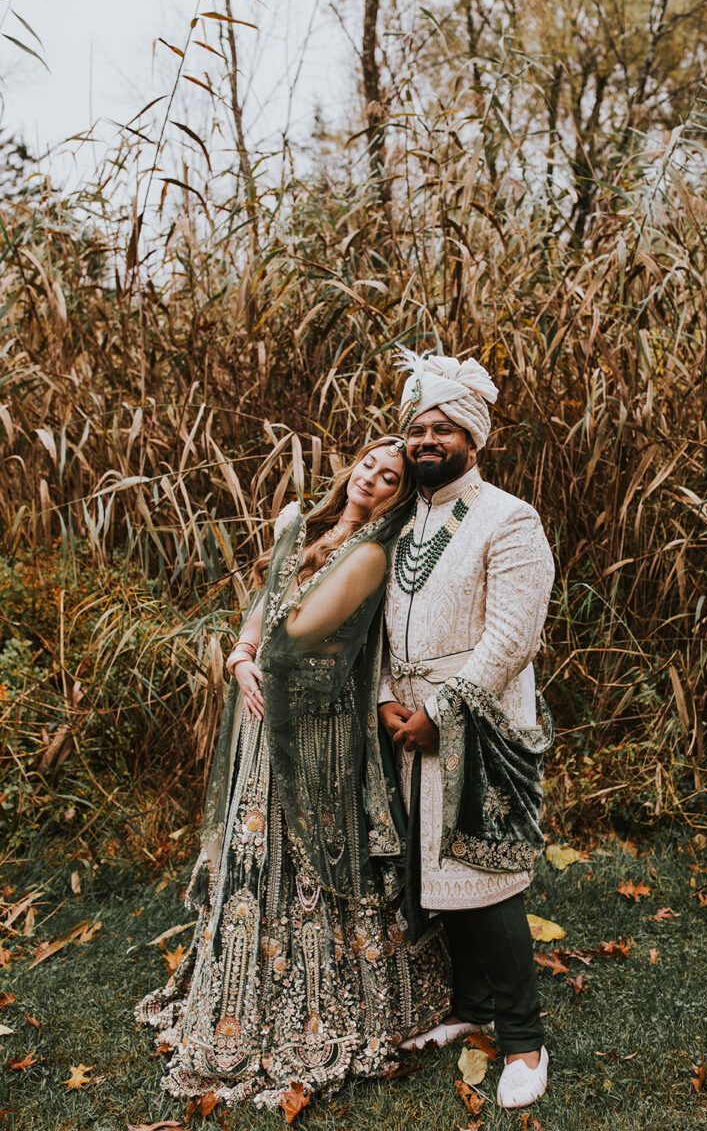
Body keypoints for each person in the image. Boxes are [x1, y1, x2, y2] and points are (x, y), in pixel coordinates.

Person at [136, 436, 450, 1109]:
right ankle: (236, 993)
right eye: (369, 464)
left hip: (316, 722)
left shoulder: (368, 553)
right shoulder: (315, 531)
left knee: (308, 848)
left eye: (389, 477)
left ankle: (322, 1003)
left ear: (399, 496)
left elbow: (299, 631)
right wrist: (239, 654)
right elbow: (263, 618)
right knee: (259, 848)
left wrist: (280, 562)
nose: (372, 478)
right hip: (264, 708)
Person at [378, 350, 555, 1109]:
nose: (425, 440)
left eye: (442, 428)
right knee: (437, 876)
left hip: (480, 728)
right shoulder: (403, 521)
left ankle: (524, 1041)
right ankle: (471, 1009)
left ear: (472, 439)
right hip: (409, 721)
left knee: (489, 879)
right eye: (416, 429)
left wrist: (441, 714)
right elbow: (380, 627)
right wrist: (385, 698)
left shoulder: (508, 518)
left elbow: (512, 637)